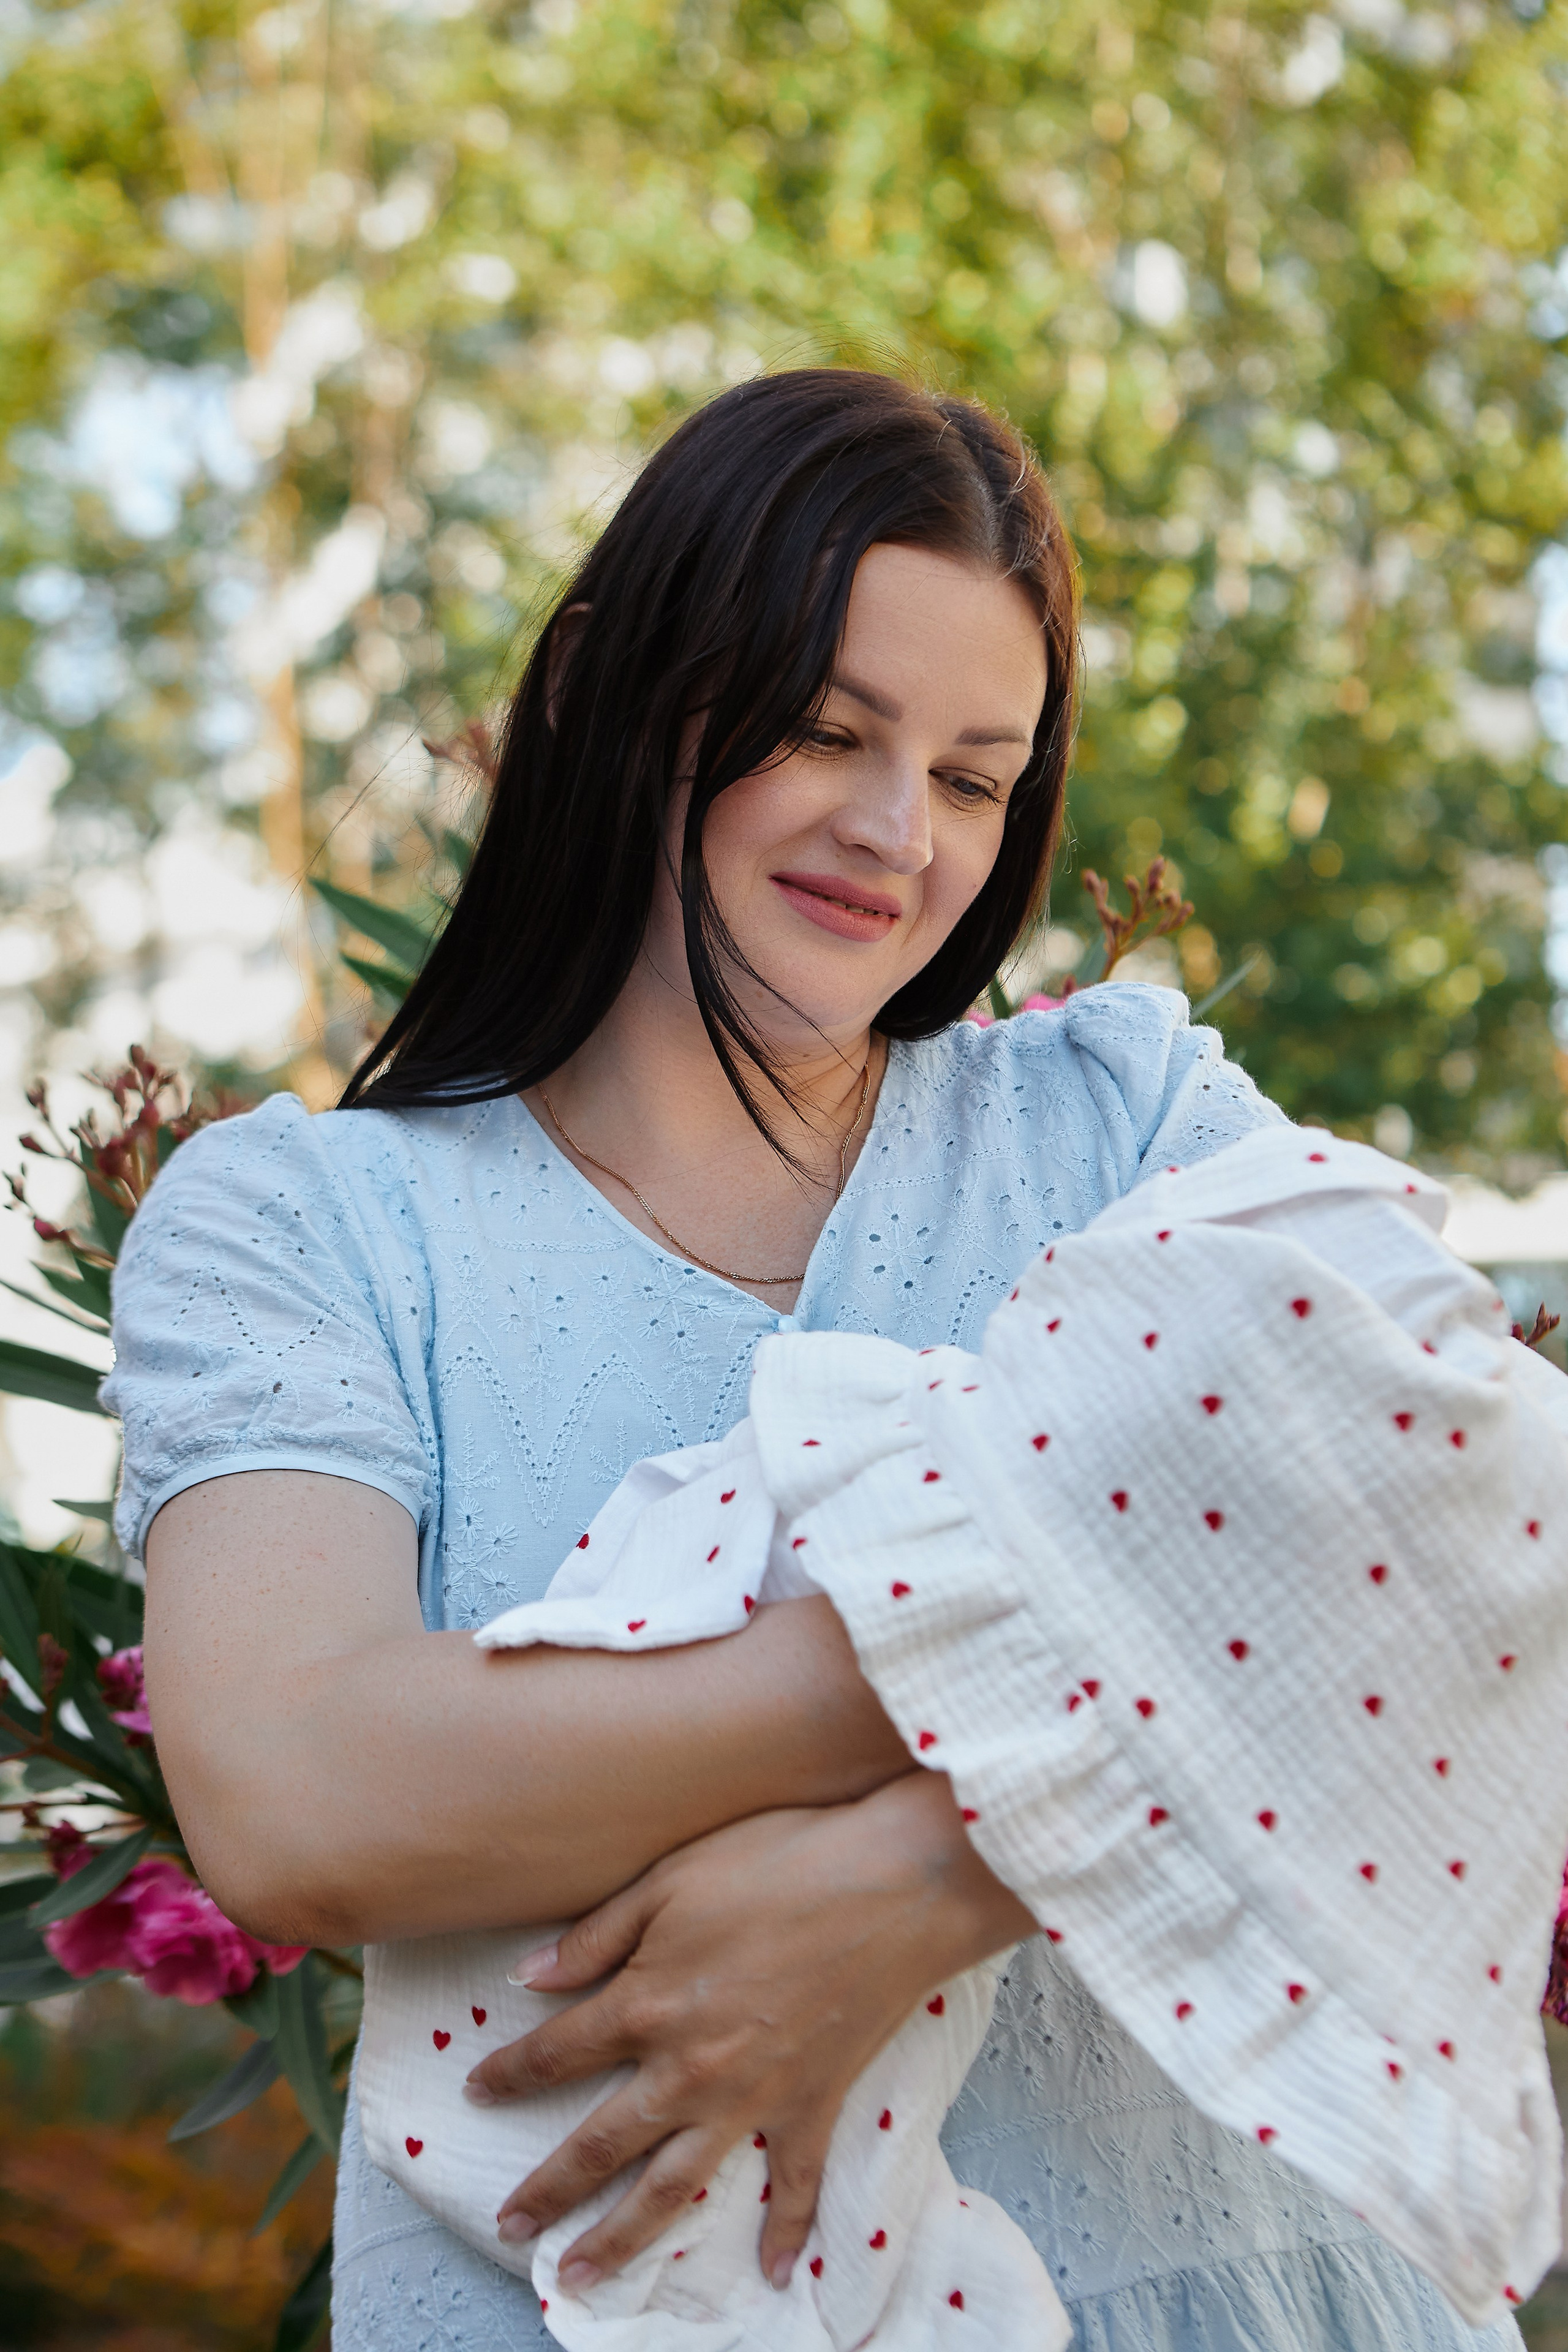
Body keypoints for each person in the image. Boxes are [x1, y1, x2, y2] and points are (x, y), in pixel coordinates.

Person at [108, 369, 1526, 2351]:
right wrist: (1028, 1636)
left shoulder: (1127, 1125)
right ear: (605, 690)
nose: (896, 833)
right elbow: (299, 1796)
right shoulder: (307, 1226)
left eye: (976, 776)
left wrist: (936, 1878)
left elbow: (1472, 1548)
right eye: (826, 729)